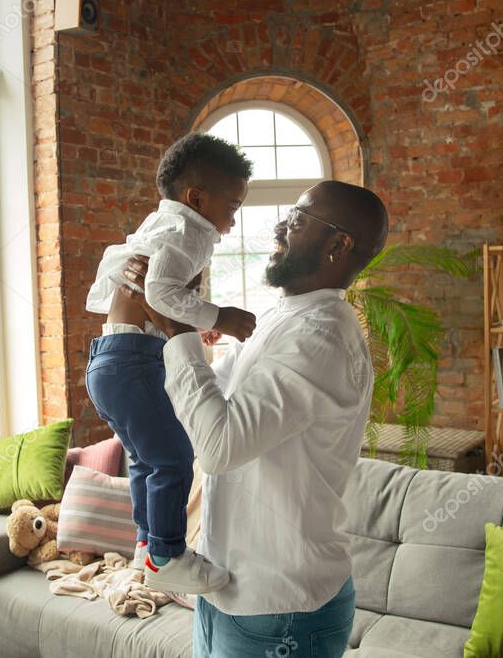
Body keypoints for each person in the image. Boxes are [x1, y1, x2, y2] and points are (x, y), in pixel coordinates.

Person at [119, 180, 389, 657]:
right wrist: (138, 344)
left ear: (338, 245)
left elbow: (220, 448)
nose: (280, 226)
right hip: (228, 590)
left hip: (279, 606)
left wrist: (179, 328)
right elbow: (202, 403)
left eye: (300, 219)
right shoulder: (281, 317)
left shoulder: (321, 337)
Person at [84, 132, 257, 594]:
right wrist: (221, 315)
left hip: (112, 362)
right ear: (196, 197)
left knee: (145, 459)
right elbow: (160, 294)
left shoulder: (161, 226)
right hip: (134, 363)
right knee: (176, 458)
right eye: (233, 206)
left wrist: (195, 321)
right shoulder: (187, 232)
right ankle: (167, 553)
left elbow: (155, 298)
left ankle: (146, 546)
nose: (233, 221)